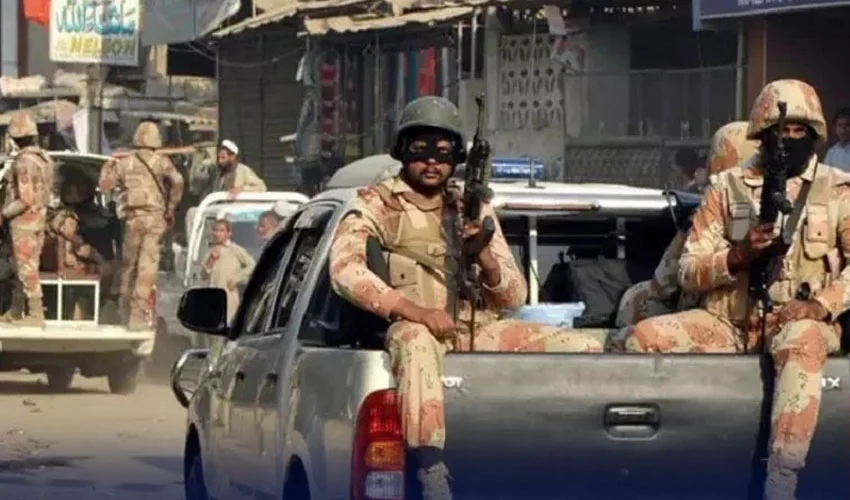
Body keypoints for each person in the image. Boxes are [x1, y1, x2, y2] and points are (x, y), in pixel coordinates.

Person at [329, 96, 603, 500]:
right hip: (413, 327)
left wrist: (483, 253)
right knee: (415, 342)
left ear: (456, 157)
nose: (431, 162)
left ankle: (582, 454)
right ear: (403, 151)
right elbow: (345, 271)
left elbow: (513, 295)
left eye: (443, 153)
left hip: (473, 327)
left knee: (580, 347)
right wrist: (415, 311)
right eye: (420, 150)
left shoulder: (468, 206)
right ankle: (430, 467)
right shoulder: (378, 203)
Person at [625, 79, 849, 500]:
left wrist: (820, 305)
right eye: (780, 131)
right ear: (762, 134)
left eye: (799, 130)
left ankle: (781, 484)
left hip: (796, 321)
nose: (789, 139)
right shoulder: (726, 188)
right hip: (729, 321)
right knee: (645, 337)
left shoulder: (837, 189)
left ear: (814, 134)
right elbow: (687, 269)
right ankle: (664, 471)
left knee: (802, 340)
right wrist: (737, 256)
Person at [611, 121, 760, 349]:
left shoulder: (713, 211)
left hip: (722, 327)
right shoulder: (792, 205)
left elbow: (663, 284)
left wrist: (685, 233)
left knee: (635, 304)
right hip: (753, 327)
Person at [99, 121, 185, 330]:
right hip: (155, 218)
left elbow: (105, 186)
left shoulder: (126, 162)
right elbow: (178, 181)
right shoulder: (161, 161)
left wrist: (106, 168)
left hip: (132, 219)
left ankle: (124, 310)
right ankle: (137, 315)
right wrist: (171, 207)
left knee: (129, 266)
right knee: (147, 266)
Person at [0, 111, 55, 327]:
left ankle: (35, 314)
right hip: (38, 219)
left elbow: (25, 198)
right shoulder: (44, 159)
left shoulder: (24, 162)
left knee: (25, 268)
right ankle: (16, 310)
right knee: (22, 267)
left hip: (24, 222)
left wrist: (4, 213)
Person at [200, 218, 256, 323]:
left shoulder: (235, 250)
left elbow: (251, 265)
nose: (217, 234)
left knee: (228, 323)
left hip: (229, 297)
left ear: (229, 233)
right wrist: (211, 260)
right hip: (212, 297)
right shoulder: (210, 251)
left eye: (221, 231)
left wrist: (236, 278)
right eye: (215, 230)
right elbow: (203, 276)